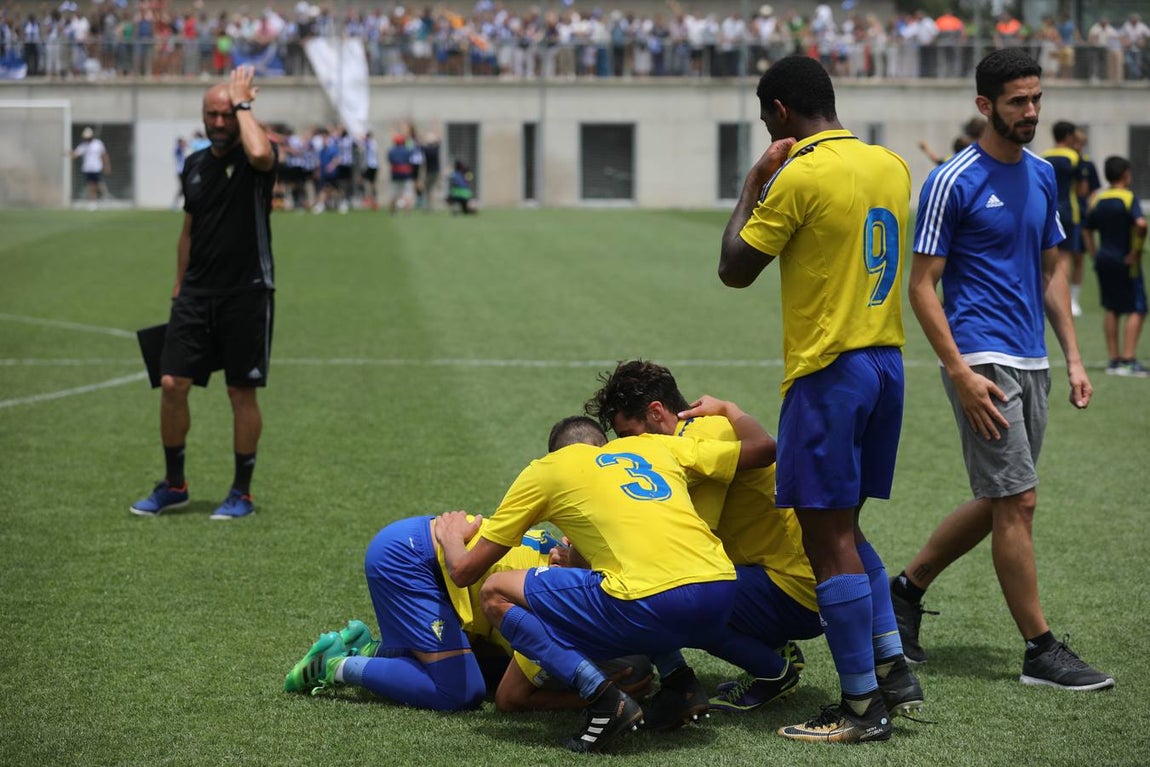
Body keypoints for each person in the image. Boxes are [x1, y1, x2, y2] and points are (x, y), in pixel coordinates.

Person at [890, 48, 1114, 692]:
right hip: (981, 359)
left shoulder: (1045, 174)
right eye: (1017, 101)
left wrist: (1073, 356)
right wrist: (958, 372)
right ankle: (1040, 651)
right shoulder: (951, 180)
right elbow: (923, 287)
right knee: (1019, 499)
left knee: (1002, 497)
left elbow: (1054, 269)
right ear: (985, 105)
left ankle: (904, 593)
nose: (1031, 111)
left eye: (1037, 98)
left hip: (1033, 356)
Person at [718, 54, 912, 744]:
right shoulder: (890, 164)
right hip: (886, 363)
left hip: (829, 372)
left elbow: (734, 267)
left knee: (824, 537)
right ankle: (891, 665)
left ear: (778, 113)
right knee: (845, 528)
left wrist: (753, 183)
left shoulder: (798, 174)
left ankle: (861, 706)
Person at [584, 360, 924, 721]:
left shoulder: (697, 443)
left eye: (630, 435)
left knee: (679, 596)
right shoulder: (705, 428)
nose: (629, 449)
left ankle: (772, 672)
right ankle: (779, 649)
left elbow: (692, 536)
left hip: (797, 589)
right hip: (793, 576)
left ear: (656, 412)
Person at [434, 408, 776, 753]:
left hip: (653, 601)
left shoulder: (548, 470)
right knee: (635, 575)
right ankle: (680, 684)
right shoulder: (653, 446)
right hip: (721, 588)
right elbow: (763, 449)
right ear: (605, 444)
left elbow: (465, 572)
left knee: (496, 592)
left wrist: (451, 536)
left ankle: (602, 698)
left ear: (555, 454)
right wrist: (731, 410)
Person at [283, 519, 653, 711]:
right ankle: (335, 665)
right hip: (410, 558)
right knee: (459, 691)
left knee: (484, 667)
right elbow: (511, 700)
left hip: (422, 549)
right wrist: (596, 696)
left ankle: (370, 649)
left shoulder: (571, 569)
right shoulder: (560, 601)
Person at [129, 65, 277, 521]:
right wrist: (179, 284)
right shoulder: (194, 164)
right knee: (172, 383)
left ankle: (242, 493)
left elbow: (259, 152)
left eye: (225, 114)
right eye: (211, 114)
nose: (218, 122)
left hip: (247, 292)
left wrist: (244, 103)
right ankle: (175, 485)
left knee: (240, 393)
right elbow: (188, 230)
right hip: (195, 295)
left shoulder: (257, 158)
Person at [1083, 156, 1148, 376]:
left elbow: (1086, 228)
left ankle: (1114, 360)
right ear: (1126, 174)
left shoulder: (1099, 199)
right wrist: (1136, 252)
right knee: (1137, 307)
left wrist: (1094, 253)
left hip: (1104, 258)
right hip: (1125, 259)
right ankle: (1128, 360)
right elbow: (1141, 224)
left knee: (1111, 307)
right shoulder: (1128, 197)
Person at [1041, 121, 1090, 317]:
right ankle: (1067, 302)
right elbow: (1082, 189)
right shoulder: (1074, 157)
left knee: (1046, 257)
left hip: (1047, 212)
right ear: (1069, 137)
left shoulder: (1044, 156)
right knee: (1065, 257)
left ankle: (1045, 300)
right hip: (1070, 212)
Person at [71, 126, 110, 208]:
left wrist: (107, 166)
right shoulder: (83, 145)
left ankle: (102, 197)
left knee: (99, 185)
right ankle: (92, 203)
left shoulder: (98, 144)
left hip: (97, 168)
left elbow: (104, 155)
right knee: (90, 186)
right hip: (87, 169)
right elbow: (75, 154)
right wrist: (69, 153)